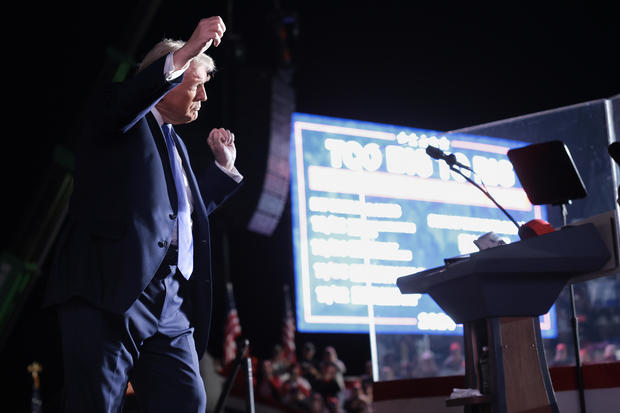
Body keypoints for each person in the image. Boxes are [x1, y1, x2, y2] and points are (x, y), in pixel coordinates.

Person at [43, 16, 243, 413]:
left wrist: (222, 170)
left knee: (187, 400)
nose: (203, 97)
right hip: (110, 289)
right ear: (166, 78)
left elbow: (176, 216)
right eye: (196, 83)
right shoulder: (118, 117)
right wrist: (186, 52)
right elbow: (126, 103)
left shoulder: (177, 145)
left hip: (167, 299)